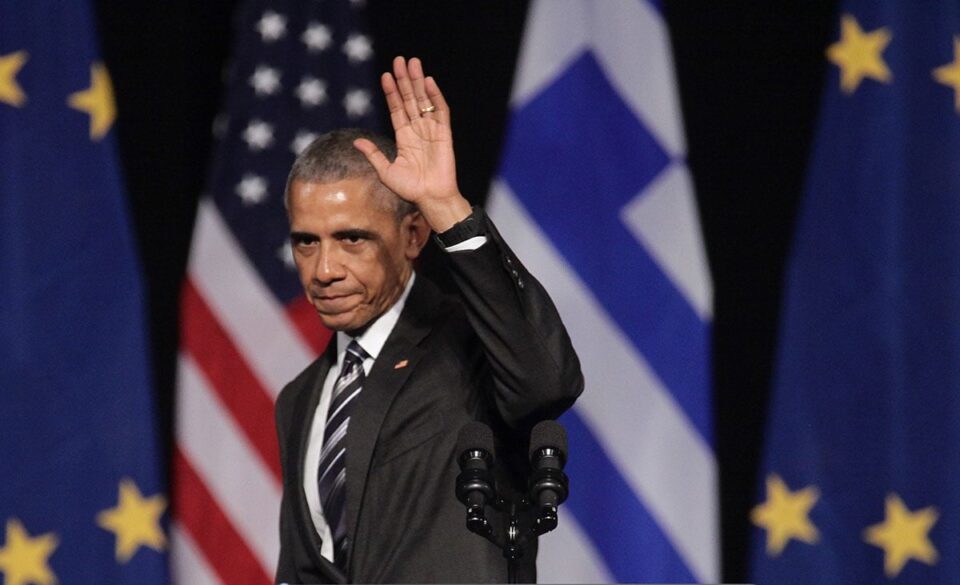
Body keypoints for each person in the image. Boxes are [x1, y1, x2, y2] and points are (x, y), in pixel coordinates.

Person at [274, 56, 583, 584]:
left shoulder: (465, 346)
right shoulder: (299, 399)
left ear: (413, 236)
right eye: (307, 242)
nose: (324, 270)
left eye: (351, 239)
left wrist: (446, 207)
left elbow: (546, 379)